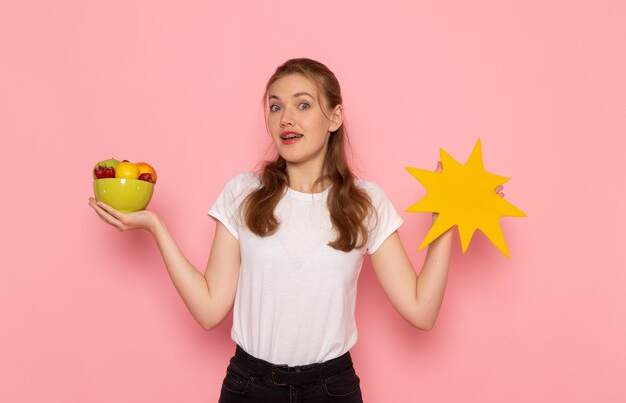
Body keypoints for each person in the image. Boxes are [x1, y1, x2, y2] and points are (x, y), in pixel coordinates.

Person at [89, 58, 503, 403]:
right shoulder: (243, 193)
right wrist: (156, 227)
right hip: (249, 387)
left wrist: (446, 222)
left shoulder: (366, 203)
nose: (285, 118)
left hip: (332, 389)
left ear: (335, 117)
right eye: (274, 106)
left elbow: (421, 311)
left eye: (303, 105)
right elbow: (210, 310)